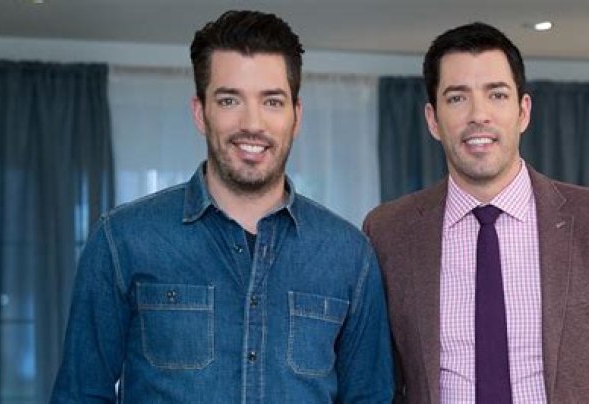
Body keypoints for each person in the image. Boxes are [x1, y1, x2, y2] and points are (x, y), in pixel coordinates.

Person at [51, 10, 393, 403]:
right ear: (201, 112)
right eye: (230, 100)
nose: (253, 123)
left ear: (296, 116)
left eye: (272, 101)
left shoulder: (350, 255)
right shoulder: (122, 239)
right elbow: (80, 394)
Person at [363, 22, 589, 403]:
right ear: (432, 120)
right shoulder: (388, 232)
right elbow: (375, 387)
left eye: (496, 94)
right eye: (457, 98)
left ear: (523, 111)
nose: (479, 115)